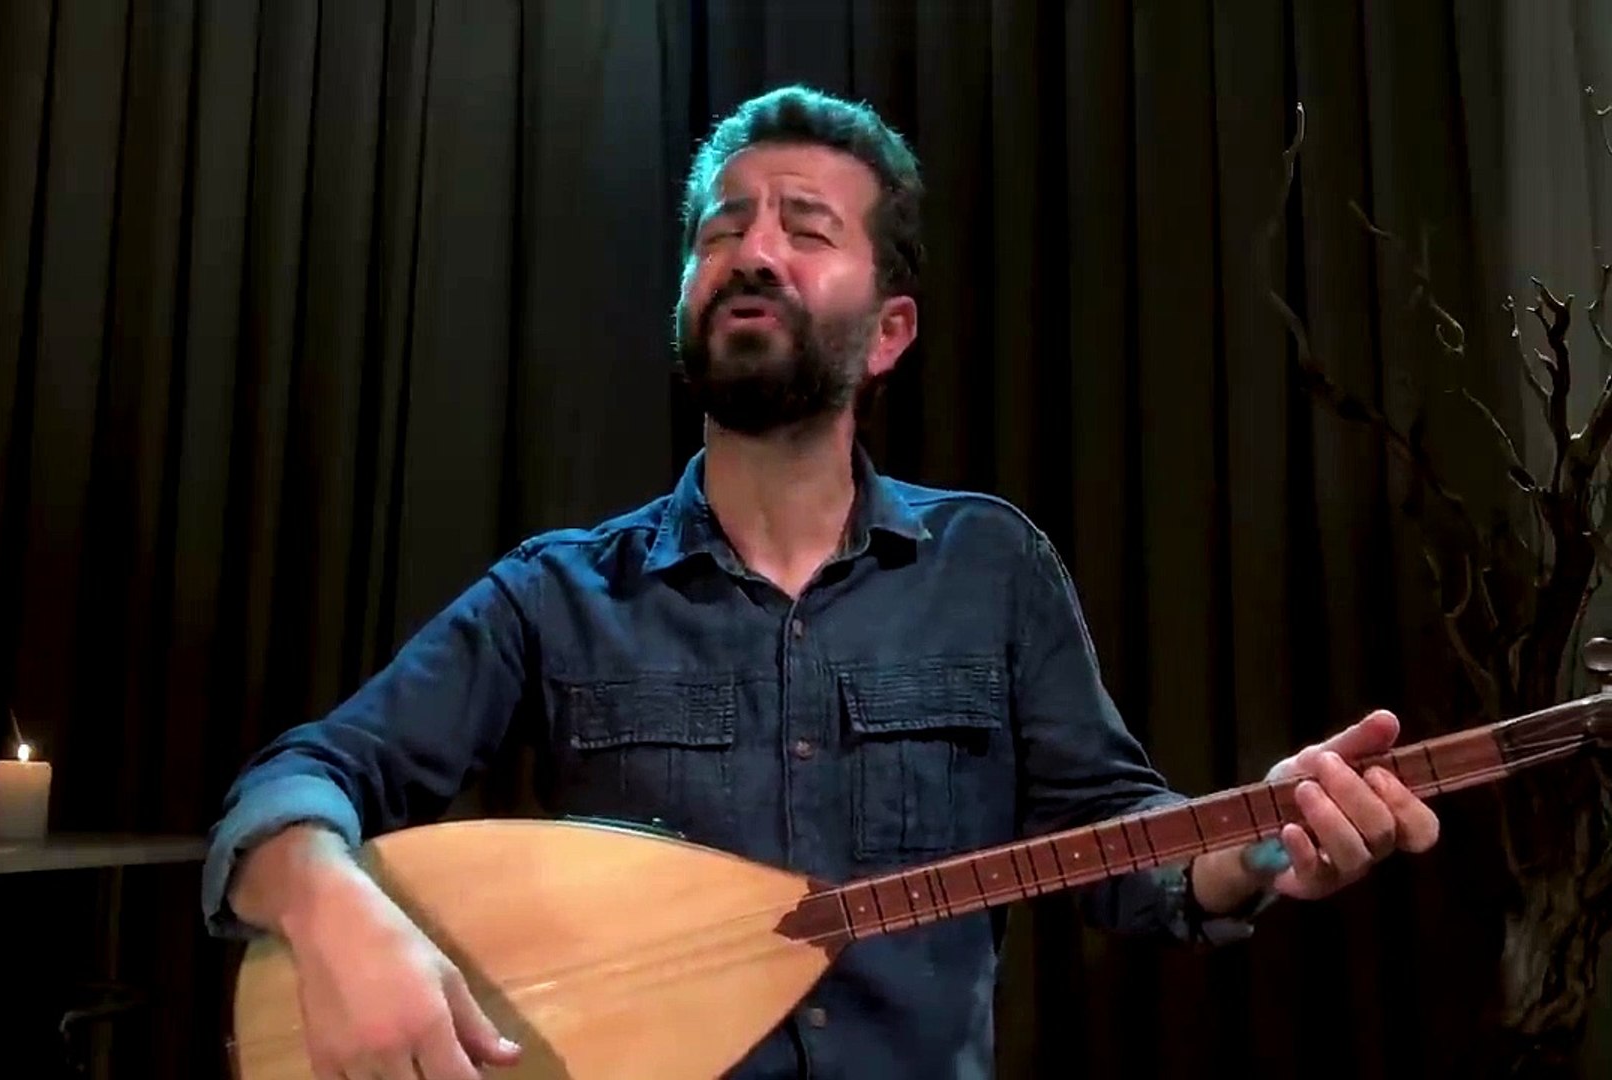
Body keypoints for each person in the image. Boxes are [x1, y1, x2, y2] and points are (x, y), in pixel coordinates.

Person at [200, 84, 1441, 1080]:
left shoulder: (990, 567)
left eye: (805, 228)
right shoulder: (559, 595)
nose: (753, 251)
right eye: (721, 229)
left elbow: (1122, 856)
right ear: (686, 300)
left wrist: (1262, 845)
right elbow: (293, 786)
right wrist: (337, 912)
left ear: (890, 331)